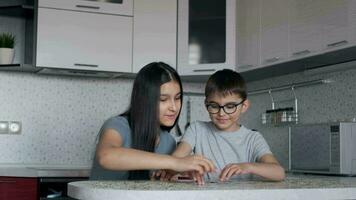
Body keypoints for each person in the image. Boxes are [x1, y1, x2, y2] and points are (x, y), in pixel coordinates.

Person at [156, 69, 285, 184]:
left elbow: (279, 172)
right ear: (206, 104)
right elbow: (174, 161)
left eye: (230, 106)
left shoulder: (253, 138)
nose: (221, 113)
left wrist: (247, 167)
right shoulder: (196, 130)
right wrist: (184, 169)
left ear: (244, 106)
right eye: (214, 106)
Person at [90, 62, 215, 180]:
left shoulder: (168, 141)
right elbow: (106, 156)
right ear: (144, 100)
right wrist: (175, 162)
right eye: (163, 99)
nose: (174, 107)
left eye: (177, 98)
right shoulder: (117, 125)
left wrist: (175, 172)